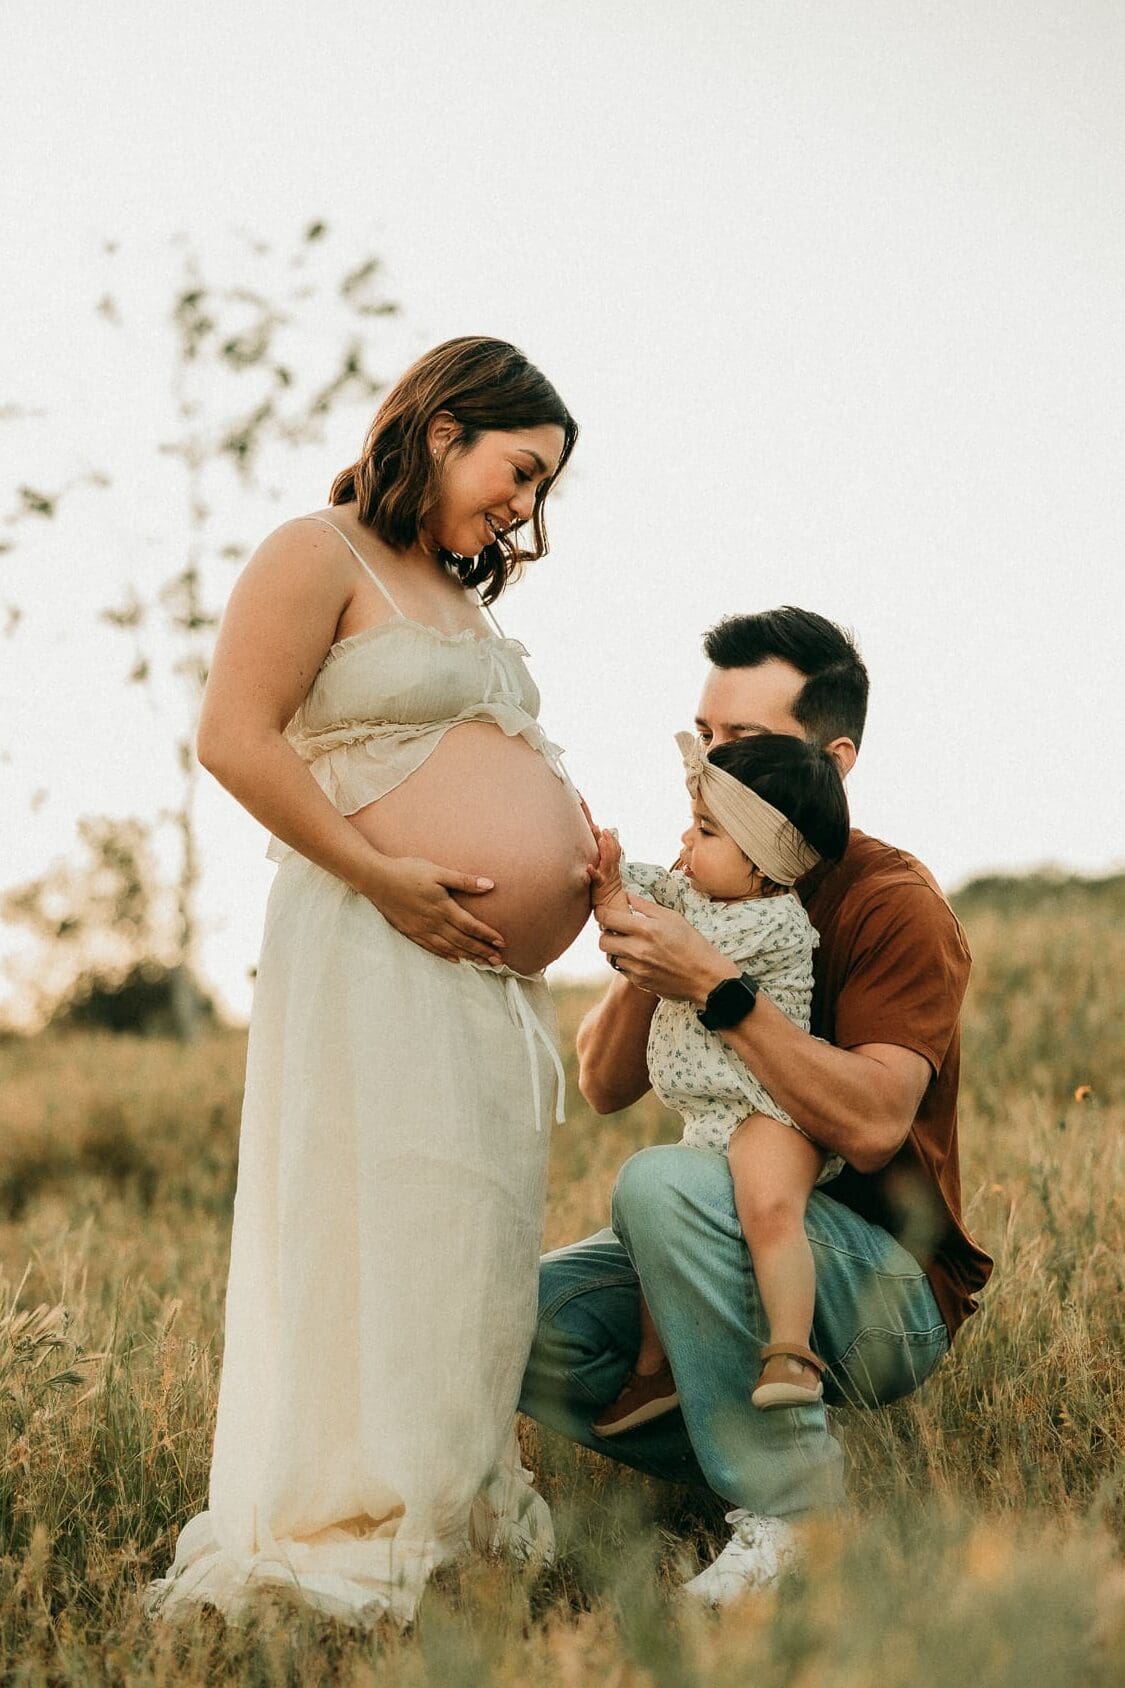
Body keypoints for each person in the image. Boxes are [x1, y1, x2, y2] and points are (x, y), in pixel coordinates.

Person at [145, 337, 598, 1626]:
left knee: (466, 1234)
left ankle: (448, 1501)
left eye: (543, 489)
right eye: (519, 470)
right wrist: (386, 872)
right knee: (376, 1216)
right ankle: (357, 1509)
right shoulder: (316, 552)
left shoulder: (463, 594)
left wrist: (573, 850)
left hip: (476, 981)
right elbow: (234, 737)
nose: (526, 507)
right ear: (443, 427)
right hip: (367, 940)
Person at [519, 608, 993, 1606]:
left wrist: (721, 988)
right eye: (707, 738)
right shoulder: (708, 875)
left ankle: (790, 1513)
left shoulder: (892, 902)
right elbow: (604, 1082)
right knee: (509, 1321)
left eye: (745, 744)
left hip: (883, 1284)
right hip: (722, 1230)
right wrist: (666, 940)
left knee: (668, 1182)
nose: (710, 766)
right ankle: (802, 1468)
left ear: (834, 757)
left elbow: (871, 1124)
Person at [586, 730, 850, 1440]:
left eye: (704, 830)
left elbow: (662, 934)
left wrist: (613, 897)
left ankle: (792, 1353)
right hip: (711, 1119)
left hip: (769, 1110)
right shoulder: (702, 894)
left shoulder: (772, 922)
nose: (684, 840)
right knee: (657, 1235)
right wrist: (603, 866)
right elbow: (656, 890)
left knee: (768, 1210)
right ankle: (656, 1368)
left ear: (764, 863)